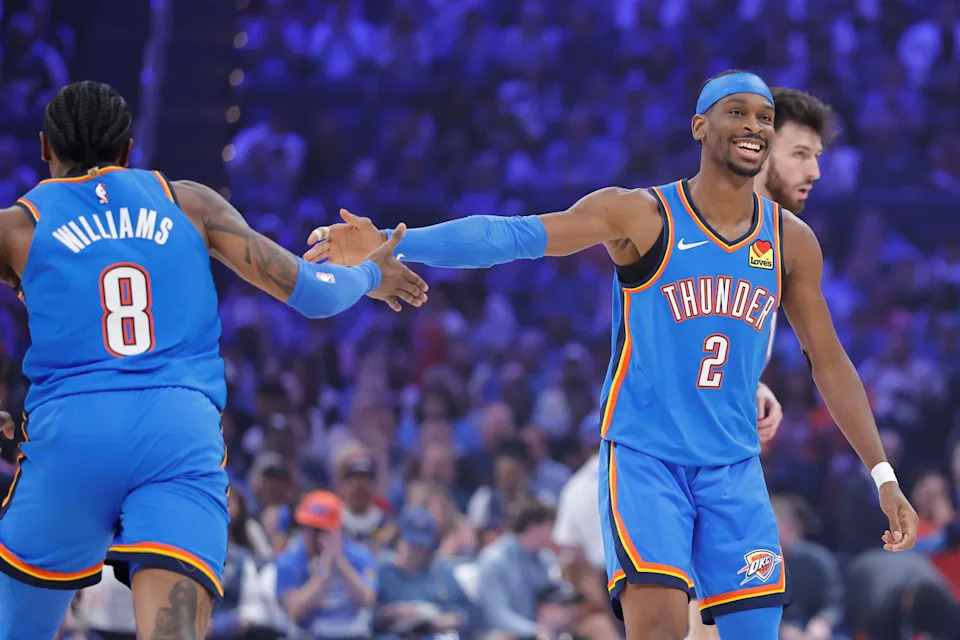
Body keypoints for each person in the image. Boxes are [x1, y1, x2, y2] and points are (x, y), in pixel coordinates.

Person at [306, 70, 919, 639]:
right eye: (737, 112)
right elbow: (513, 235)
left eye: (765, 117)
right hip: (647, 459)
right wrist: (394, 243)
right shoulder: (642, 214)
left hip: (733, 466)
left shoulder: (790, 240)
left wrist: (883, 476)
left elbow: (829, 361)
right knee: (660, 629)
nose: (754, 126)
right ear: (700, 126)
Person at [0, 81, 427, 639]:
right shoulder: (190, 203)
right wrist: (370, 274)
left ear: (44, 147)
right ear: (128, 151)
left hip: (72, 437)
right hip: (176, 435)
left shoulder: (18, 225)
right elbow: (314, 294)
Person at [275, 491, 378, 639]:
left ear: (338, 529)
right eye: (308, 527)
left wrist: (340, 562)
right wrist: (324, 571)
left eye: (321, 530)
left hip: (352, 634)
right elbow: (295, 612)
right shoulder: (289, 560)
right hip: (309, 635)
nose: (313, 536)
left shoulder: (360, 555)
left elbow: (367, 600)